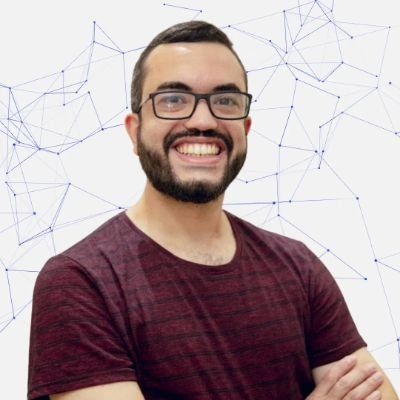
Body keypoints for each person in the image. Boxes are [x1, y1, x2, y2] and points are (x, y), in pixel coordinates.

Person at [28, 21, 398, 400]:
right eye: (173, 99)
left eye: (225, 101)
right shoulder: (80, 282)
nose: (203, 121)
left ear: (245, 127)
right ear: (134, 131)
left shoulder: (297, 267)